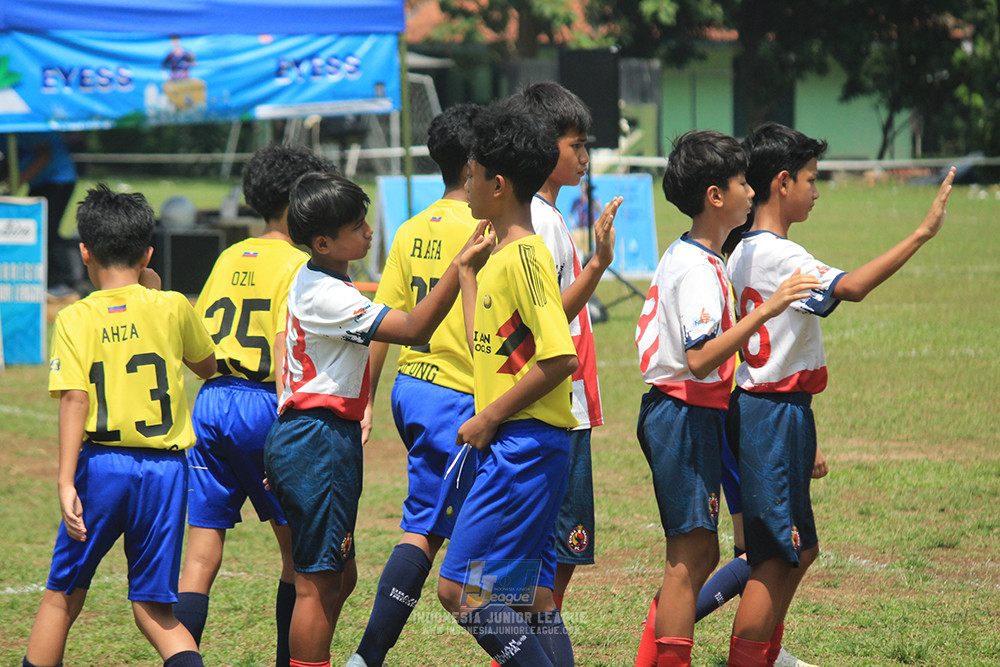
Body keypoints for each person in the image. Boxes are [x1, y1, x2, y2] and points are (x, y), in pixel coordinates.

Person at [724, 123, 954, 667]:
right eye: (810, 178)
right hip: (770, 416)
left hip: (780, 412)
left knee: (799, 549)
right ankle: (748, 658)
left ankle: (767, 655)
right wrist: (921, 233)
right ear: (782, 183)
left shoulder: (746, 250)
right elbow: (850, 287)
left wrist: (810, 434)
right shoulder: (780, 255)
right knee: (777, 556)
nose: (816, 189)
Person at [263, 171, 493, 667]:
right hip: (316, 441)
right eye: (357, 226)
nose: (369, 231)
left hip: (317, 438)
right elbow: (414, 326)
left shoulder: (321, 276)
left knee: (339, 578)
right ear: (323, 242)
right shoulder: (327, 293)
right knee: (318, 583)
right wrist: (461, 266)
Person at [632, 130, 821, 667]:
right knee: (689, 558)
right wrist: (767, 308)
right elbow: (699, 358)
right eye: (742, 183)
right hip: (681, 411)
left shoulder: (703, 255)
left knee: (701, 552)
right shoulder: (696, 266)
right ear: (716, 196)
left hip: (690, 412)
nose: (749, 191)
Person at [23, 184, 217, 667]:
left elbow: (74, 398)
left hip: (102, 469)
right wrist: (154, 295)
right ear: (148, 252)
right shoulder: (173, 305)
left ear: (84, 250)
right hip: (168, 472)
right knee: (154, 608)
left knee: (61, 596)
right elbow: (208, 366)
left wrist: (67, 479)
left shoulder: (74, 317)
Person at [172, 144, 337, 665]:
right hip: (265, 404)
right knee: (297, 554)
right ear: (299, 200)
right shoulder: (298, 263)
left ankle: (182, 653)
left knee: (199, 553)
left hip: (212, 401)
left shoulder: (228, 256)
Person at [435, 100, 579, 667]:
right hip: (515, 444)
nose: (464, 186)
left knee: (459, 591)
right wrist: (467, 275)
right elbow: (486, 349)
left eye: (470, 177)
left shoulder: (525, 258)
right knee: (514, 598)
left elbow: (559, 358)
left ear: (497, 184)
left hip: (523, 446)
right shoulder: (497, 256)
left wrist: (490, 416)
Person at [345, 103, 483, 667]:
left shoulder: (410, 229)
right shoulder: (486, 230)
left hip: (412, 387)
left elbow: (384, 318)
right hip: (459, 396)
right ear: (478, 163)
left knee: (444, 519)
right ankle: (367, 656)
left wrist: (369, 400)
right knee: (428, 531)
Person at [507, 81, 621, 614]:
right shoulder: (544, 221)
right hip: (559, 407)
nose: (584, 157)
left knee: (553, 554)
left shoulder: (537, 216)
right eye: (575, 146)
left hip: (551, 403)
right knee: (559, 554)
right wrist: (597, 264)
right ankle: (525, 645)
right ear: (542, 144)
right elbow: (550, 318)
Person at [15, 132, 79, 298]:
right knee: (34, 230)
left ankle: (62, 282)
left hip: (58, 180)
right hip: (38, 181)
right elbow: (11, 158)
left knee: (46, 230)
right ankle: (45, 279)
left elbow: (44, 154)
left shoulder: (25, 124)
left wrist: (17, 183)